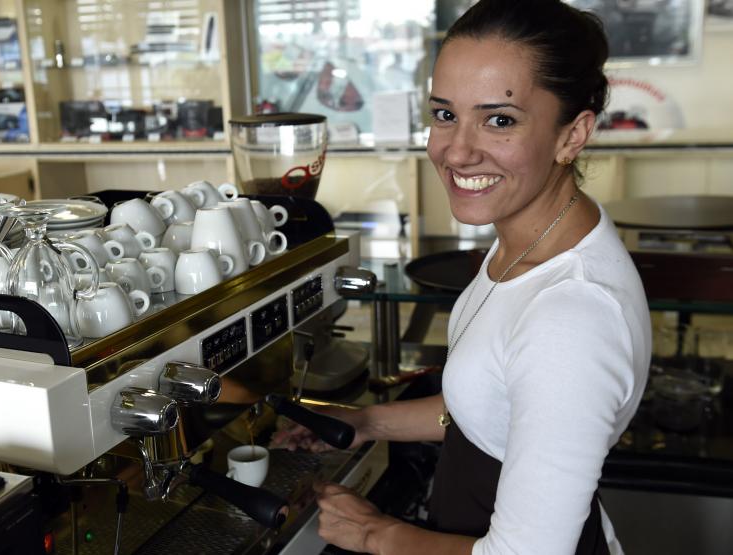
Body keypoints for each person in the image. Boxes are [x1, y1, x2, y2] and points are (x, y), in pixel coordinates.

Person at [270, 1, 651, 553]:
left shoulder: (571, 315)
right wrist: (369, 422)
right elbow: (499, 401)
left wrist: (374, 533)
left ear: (573, 135)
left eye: (500, 120)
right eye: (445, 114)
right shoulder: (534, 237)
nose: (457, 150)